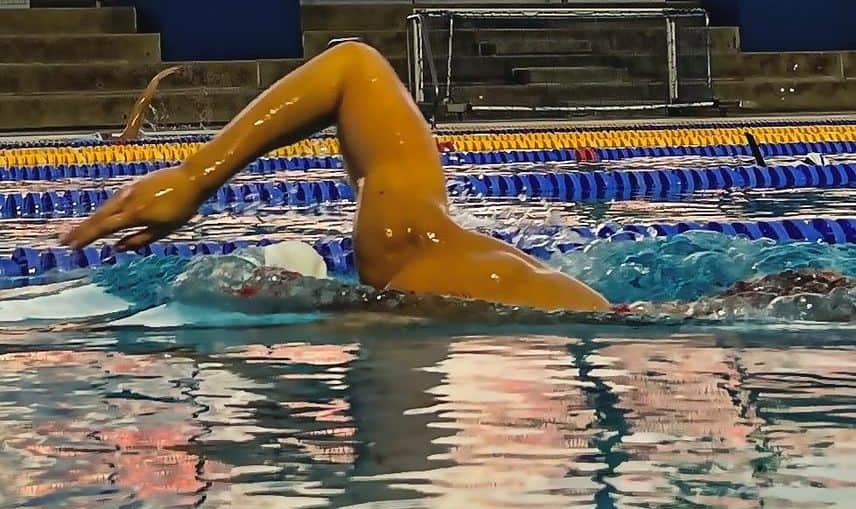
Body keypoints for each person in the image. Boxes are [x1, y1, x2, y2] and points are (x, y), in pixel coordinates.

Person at [62, 41, 609, 315]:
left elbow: (353, 66)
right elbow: (352, 66)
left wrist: (195, 176)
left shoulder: (417, 248)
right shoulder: (415, 242)